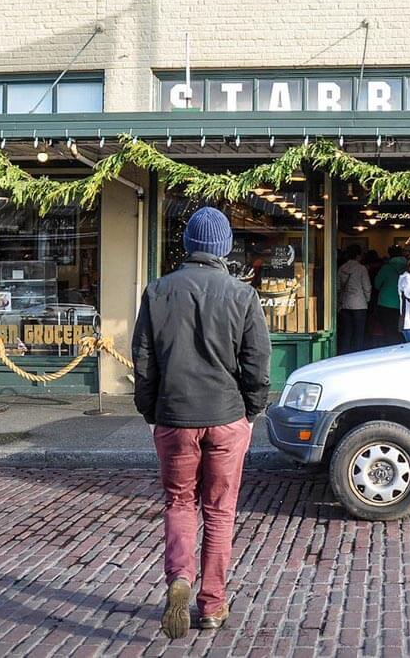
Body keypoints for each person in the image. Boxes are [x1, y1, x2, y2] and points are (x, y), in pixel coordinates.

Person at [132, 206, 271, 637]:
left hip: (175, 415)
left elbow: (144, 362)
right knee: (219, 510)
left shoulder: (158, 292)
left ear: (189, 246)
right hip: (226, 415)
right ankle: (212, 603)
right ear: (224, 249)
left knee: (178, 503)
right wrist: (252, 411)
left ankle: (179, 577)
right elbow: (257, 364)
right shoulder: (242, 294)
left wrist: (152, 412)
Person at [337, 245, 371, 354]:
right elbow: (366, 286)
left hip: (345, 304)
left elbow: (337, 287)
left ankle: (344, 353)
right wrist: (367, 299)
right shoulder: (361, 268)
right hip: (359, 304)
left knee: (346, 332)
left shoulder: (341, 268)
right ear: (358, 256)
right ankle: (358, 354)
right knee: (359, 333)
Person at [372, 245, 408, 346]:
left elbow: (377, 284)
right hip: (403, 303)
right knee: (401, 329)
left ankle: (390, 349)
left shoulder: (387, 267)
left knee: (388, 331)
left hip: (386, 303)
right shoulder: (408, 266)